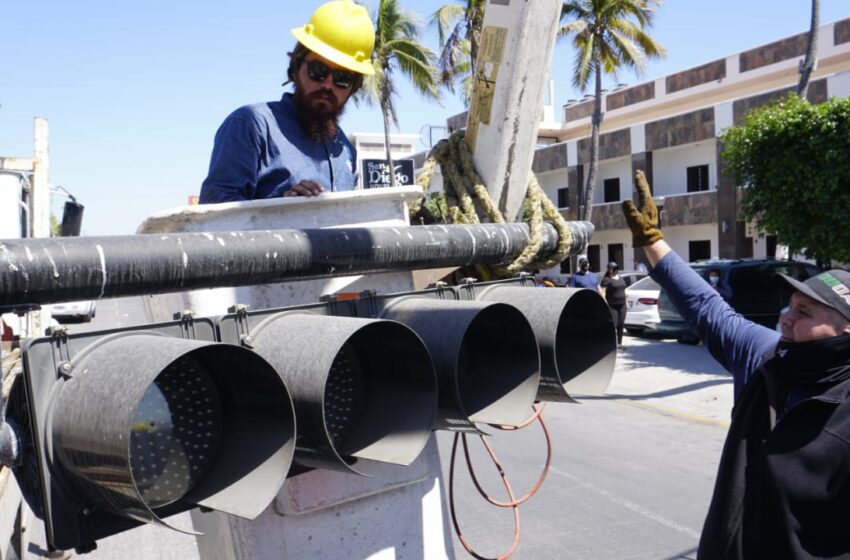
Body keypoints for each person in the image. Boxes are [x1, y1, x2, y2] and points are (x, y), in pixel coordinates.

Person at [623, 169, 850, 559]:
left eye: (805, 312)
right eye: (790, 307)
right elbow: (707, 307)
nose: (786, 318)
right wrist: (653, 242)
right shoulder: (767, 358)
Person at [199, 0, 374, 203]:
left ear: (354, 87)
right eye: (318, 70)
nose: (328, 84)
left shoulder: (345, 150)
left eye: (342, 78)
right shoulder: (252, 125)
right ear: (296, 66)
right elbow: (215, 216)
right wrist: (280, 208)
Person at [599, 262, 627, 350]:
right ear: (609, 270)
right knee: (614, 325)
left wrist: (626, 303)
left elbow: (624, 290)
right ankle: (609, 344)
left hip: (622, 305)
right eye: (612, 269)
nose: (614, 270)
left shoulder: (621, 278)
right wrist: (605, 303)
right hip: (612, 305)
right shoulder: (606, 279)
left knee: (621, 324)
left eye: (615, 268)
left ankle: (619, 344)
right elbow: (602, 293)